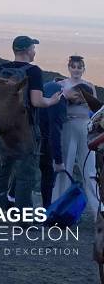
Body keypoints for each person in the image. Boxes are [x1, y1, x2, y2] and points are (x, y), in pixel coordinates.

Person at [0, 36, 63, 210]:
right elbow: (36, 102)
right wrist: (52, 101)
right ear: (27, 51)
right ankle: (24, 218)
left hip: (1, 131)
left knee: (0, 173)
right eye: (33, 48)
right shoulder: (33, 71)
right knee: (25, 176)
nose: (34, 52)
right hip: (25, 131)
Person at [53, 55, 99, 218]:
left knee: (90, 171)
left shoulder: (90, 86)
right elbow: (55, 106)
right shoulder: (60, 85)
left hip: (86, 127)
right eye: (74, 66)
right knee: (65, 168)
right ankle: (59, 210)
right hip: (67, 126)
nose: (76, 69)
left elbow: (95, 110)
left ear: (84, 69)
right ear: (69, 68)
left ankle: (98, 213)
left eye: (80, 67)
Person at [38, 78, 68, 207]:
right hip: (44, 139)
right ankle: (46, 210)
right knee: (47, 172)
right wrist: (59, 160)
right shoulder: (59, 96)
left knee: (23, 173)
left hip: (30, 135)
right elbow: (54, 130)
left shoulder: (45, 86)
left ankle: (10, 200)